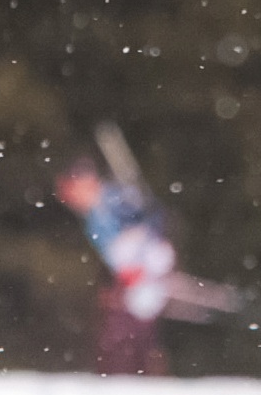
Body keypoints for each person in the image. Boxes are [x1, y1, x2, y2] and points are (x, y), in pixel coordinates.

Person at [57, 159, 183, 378]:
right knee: (119, 333)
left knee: (132, 333)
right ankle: (125, 379)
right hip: (129, 276)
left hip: (147, 269)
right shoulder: (93, 214)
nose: (69, 199)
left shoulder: (114, 199)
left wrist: (142, 252)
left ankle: (141, 380)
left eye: (71, 191)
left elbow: (152, 220)